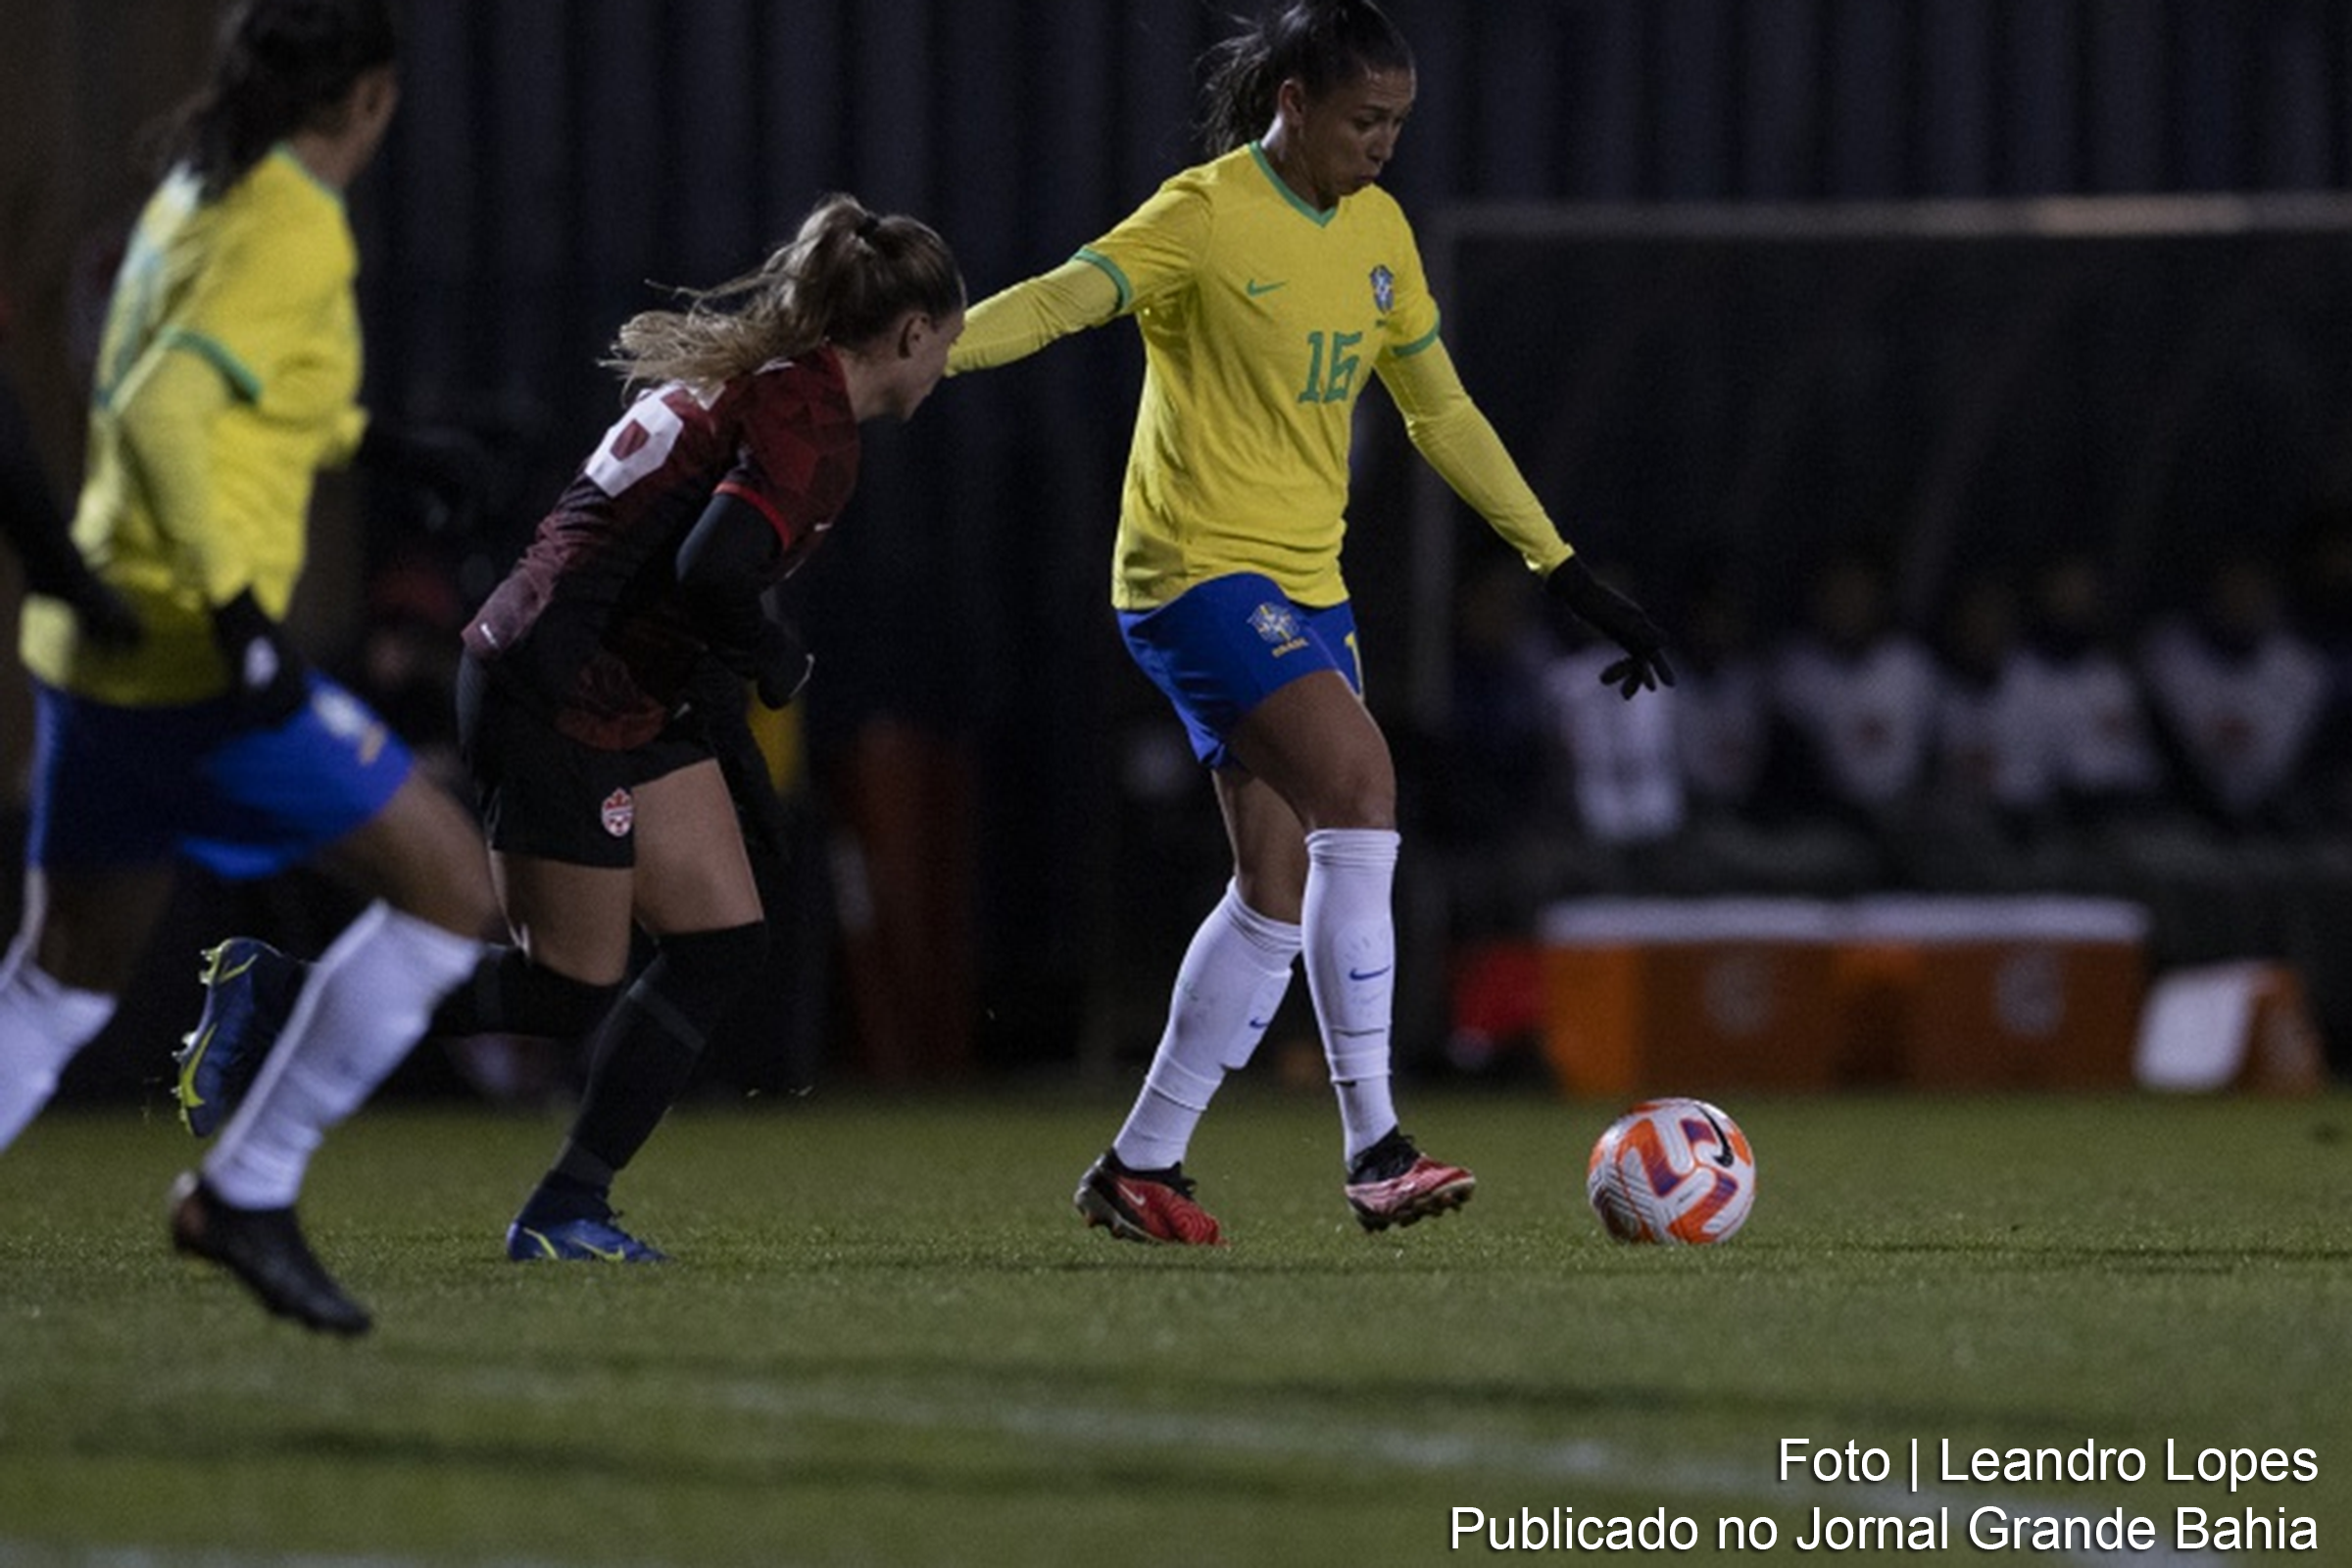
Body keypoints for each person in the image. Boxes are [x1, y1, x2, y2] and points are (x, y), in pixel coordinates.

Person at [947, 0, 1672, 1245]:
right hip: (1192, 573)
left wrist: (1561, 569)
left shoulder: (1381, 231)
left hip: (1308, 586)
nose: (1384, 144)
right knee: (1364, 786)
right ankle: (1376, 1143)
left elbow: (1441, 414)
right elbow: (1068, 298)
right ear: (1294, 103)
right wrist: (921, 352)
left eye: (1398, 122)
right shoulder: (1206, 211)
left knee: (1275, 892)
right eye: (1363, 119)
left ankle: (1141, 1161)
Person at [176, 193, 968, 1265]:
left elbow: (675, 586)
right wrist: (778, 662)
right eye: (946, 347)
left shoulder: (764, 383)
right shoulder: (810, 423)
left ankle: (568, 1203)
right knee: (567, 984)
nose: (942, 370)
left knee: (723, 940)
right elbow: (711, 571)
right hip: (561, 688)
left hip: (605, 681)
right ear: (912, 334)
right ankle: (277, 995)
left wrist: (733, 756)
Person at [0, 0, 499, 1338]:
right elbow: (167, 407)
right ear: (373, 99)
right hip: (190, 660)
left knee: (62, 978)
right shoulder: (291, 221)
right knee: (452, 889)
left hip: (99, 645)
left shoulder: (197, 190)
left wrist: (379, 442)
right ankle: (249, 1190)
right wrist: (241, 626)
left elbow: (225, 387)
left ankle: (246, 1193)